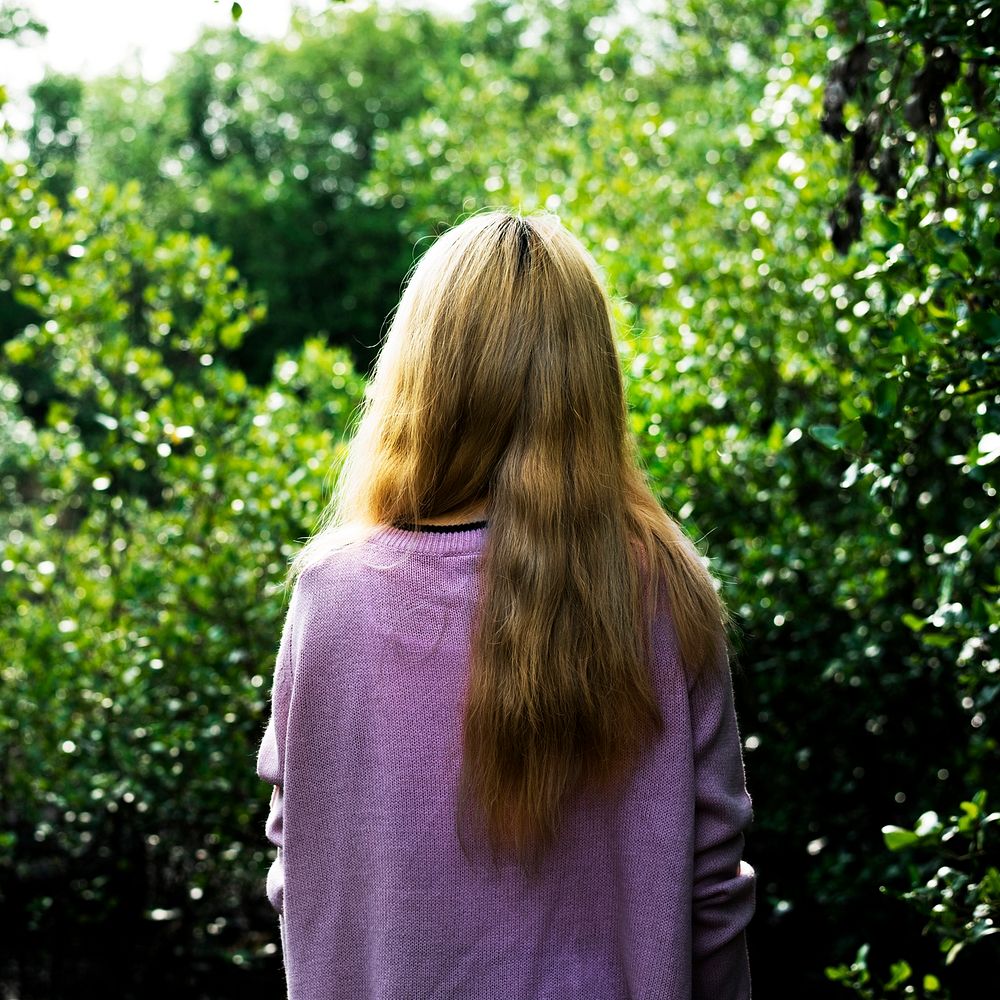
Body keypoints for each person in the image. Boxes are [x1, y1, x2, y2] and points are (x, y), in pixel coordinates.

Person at [255, 208, 756, 1000]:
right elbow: (714, 890)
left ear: (420, 372)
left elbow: (299, 867)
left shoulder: (332, 596)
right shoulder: (664, 588)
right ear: (591, 381)